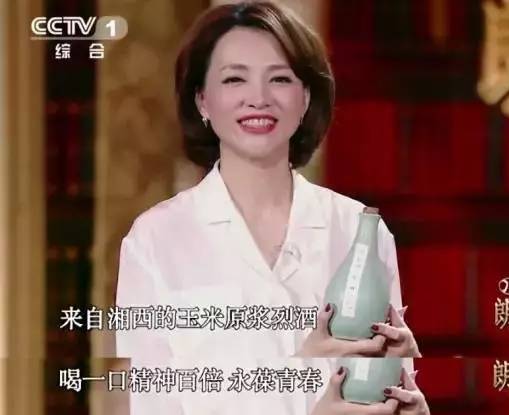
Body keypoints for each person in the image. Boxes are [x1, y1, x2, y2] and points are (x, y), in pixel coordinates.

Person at [115, 2, 429, 414]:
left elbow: (386, 389)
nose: (258, 98)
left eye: (279, 78)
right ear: (202, 100)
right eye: (234, 79)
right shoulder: (155, 240)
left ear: (306, 98)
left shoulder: (358, 230)